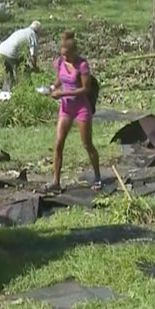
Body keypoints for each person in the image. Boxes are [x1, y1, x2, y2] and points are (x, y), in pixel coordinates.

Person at [46, 30, 101, 192]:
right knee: (58, 144)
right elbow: (59, 81)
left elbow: (85, 89)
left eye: (67, 55)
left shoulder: (82, 65)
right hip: (66, 108)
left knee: (87, 144)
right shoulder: (60, 63)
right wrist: (51, 88)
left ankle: (97, 176)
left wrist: (62, 93)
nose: (65, 58)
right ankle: (56, 181)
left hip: (81, 107)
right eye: (63, 55)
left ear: (74, 52)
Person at [0, 20, 41, 101]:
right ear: (38, 31)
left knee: (8, 73)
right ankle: (25, 91)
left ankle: (5, 93)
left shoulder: (23, 31)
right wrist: (35, 67)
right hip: (11, 52)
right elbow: (33, 54)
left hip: (1, 50)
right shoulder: (33, 35)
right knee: (22, 72)